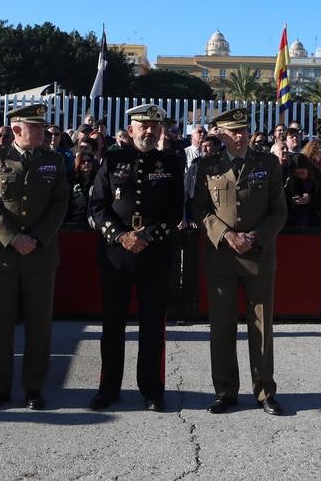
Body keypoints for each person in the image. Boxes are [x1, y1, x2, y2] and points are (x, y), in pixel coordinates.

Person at [87, 103, 184, 412]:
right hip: (117, 255)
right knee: (112, 324)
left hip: (154, 255)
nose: (149, 131)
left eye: (154, 126)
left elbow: (174, 209)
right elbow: (98, 206)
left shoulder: (170, 162)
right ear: (130, 130)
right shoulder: (112, 159)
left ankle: (152, 390)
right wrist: (120, 236)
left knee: (152, 325)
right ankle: (108, 389)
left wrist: (148, 236)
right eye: (143, 126)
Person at [192, 107, 287, 416]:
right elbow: (200, 210)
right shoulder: (206, 166)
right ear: (220, 134)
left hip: (258, 256)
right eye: (233, 131)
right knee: (221, 328)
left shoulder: (268, 163)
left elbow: (279, 211)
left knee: (261, 328)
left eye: (244, 130)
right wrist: (227, 235)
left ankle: (264, 391)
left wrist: (254, 238)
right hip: (222, 257)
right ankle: (225, 391)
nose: (241, 135)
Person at [0, 103, 69, 411]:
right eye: (35, 128)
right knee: (1, 325)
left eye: (43, 128)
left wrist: (37, 238)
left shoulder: (54, 161)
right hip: (3, 254)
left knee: (39, 325)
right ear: (17, 130)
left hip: (41, 254)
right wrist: (13, 238)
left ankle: (33, 387)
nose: (43, 133)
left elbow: (59, 203)